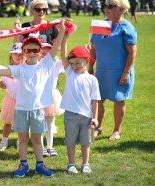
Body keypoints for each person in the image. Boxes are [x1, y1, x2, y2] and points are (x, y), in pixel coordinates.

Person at [0, 21, 65, 178]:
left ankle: (40, 164)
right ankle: (24, 164)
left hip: (37, 109)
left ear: (40, 52)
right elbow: (0, 71)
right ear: (24, 52)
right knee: (22, 140)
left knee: (36, 139)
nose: (32, 52)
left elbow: (55, 48)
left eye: (35, 50)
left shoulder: (45, 64)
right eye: (28, 50)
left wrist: (61, 32)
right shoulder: (20, 68)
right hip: (21, 110)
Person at [89, 0, 137, 140]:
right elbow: (93, 48)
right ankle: (98, 127)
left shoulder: (126, 27)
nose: (107, 9)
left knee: (119, 100)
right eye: (106, 6)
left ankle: (117, 130)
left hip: (120, 71)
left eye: (111, 6)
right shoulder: (101, 25)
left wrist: (126, 72)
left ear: (121, 9)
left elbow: (132, 53)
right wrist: (91, 67)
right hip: (102, 70)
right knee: (98, 100)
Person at [60, 34, 101, 174]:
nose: (74, 66)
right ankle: (71, 164)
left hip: (87, 116)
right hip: (70, 114)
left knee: (86, 142)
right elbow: (63, 56)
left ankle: (85, 164)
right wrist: (64, 38)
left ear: (87, 61)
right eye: (72, 64)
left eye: (78, 63)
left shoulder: (92, 80)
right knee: (70, 141)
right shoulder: (70, 73)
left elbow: (95, 100)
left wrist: (95, 117)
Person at [0, 42, 25, 152]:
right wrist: (1, 85)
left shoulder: (26, 68)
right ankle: (4, 140)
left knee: (21, 123)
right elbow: (2, 82)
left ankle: (20, 140)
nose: (18, 56)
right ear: (11, 55)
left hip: (23, 100)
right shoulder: (7, 69)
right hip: (10, 100)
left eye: (20, 54)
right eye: (15, 54)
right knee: (8, 122)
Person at [40, 42, 65, 157]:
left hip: (51, 97)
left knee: (50, 124)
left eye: (48, 52)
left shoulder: (56, 66)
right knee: (39, 124)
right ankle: (41, 148)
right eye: (42, 52)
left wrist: (64, 40)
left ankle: (50, 147)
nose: (45, 54)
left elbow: (65, 59)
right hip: (38, 98)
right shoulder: (36, 66)